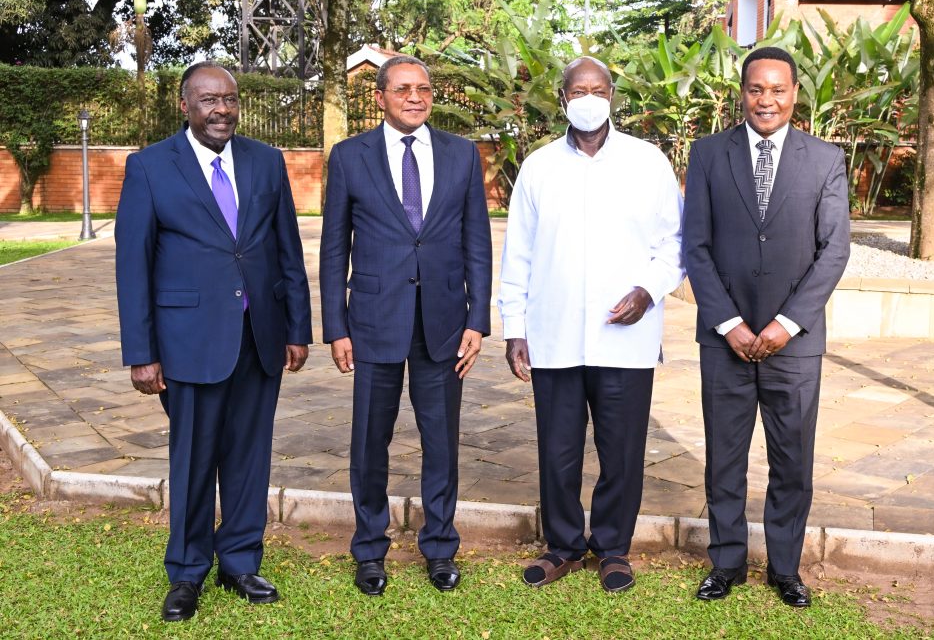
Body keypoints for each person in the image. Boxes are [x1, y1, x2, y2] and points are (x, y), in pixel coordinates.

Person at [115, 62, 312, 622]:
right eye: (208, 100)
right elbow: (133, 267)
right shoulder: (150, 167)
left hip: (260, 336)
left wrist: (298, 328)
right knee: (195, 460)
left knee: (249, 458)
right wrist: (141, 352)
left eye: (229, 99)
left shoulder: (267, 162)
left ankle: (240, 560)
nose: (221, 109)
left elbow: (287, 250)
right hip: (188, 343)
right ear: (185, 106)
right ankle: (186, 571)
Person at [498, 56, 684, 593]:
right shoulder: (537, 167)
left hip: (624, 337)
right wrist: (515, 328)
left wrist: (648, 292)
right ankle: (561, 545)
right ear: (561, 99)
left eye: (597, 89)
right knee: (557, 450)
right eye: (577, 89)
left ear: (612, 96)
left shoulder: (648, 163)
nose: (588, 97)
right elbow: (519, 255)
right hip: (553, 335)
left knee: (621, 451)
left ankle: (612, 549)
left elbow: (674, 244)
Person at [684, 46, 850, 607]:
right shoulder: (708, 154)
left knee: (792, 460)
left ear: (794, 94)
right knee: (723, 458)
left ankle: (785, 568)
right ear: (742, 93)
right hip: (725, 340)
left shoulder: (825, 159)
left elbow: (834, 251)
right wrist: (728, 323)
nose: (767, 100)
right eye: (757, 89)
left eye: (778, 89)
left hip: (794, 347)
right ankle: (725, 563)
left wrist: (787, 323)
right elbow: (696, 247)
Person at [320, 55, 492, 596]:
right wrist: (336, 326)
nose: (415, 97)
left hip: (444, 324)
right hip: (372, 324)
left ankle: (440, 548)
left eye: (423, 88)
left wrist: (478, 318)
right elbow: (332, 250)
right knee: (370, 443)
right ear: (379, 97)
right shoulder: (349, 157)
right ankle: (370, 551)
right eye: (402, 89)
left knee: (441, 443)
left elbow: (477, 243)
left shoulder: (462, 155)